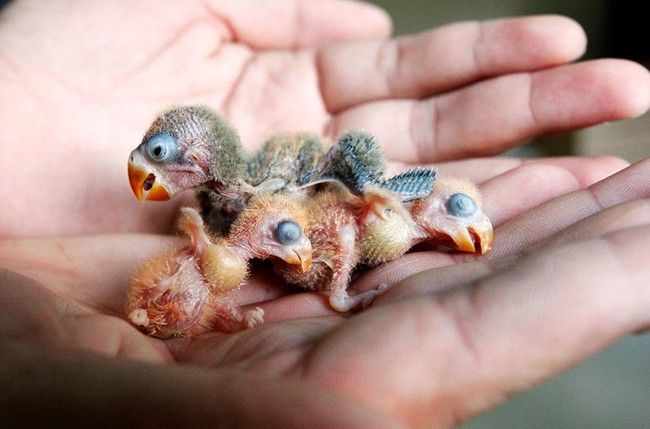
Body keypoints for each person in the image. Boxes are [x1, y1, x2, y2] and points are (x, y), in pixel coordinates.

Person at [0, 0, 649, 426]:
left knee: (367, 191)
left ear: (198, 156)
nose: (151, 174)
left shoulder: (284, 179)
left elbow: (329, 180)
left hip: (326, 177)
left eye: (163, 157)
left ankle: (404, 202)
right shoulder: (213, 208)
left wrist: (371, 194)